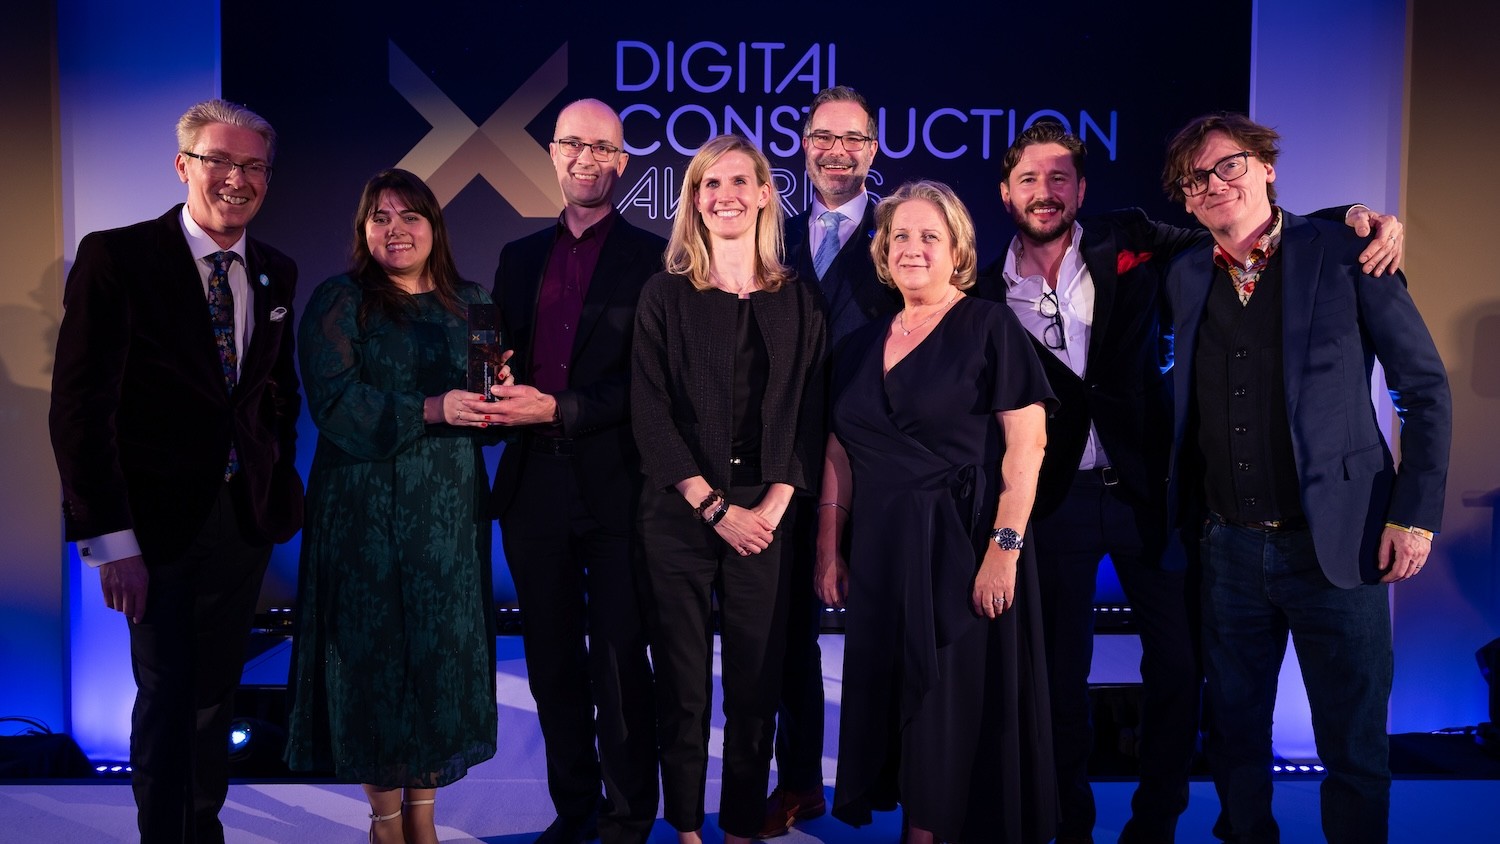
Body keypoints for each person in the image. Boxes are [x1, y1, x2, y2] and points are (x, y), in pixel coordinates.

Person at [983, 121, 1407, 844]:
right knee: (1056, 679)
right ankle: (1069, 821)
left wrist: (1351, 220)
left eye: (1060, 178)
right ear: (1005, 192)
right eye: (1029, 178)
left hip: (1152, 493)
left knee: (1179, 670)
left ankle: (1156, 822)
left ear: (1082, 189)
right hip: (1051, 502)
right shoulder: (982, 287)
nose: (1045, 192)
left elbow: (1252, 230)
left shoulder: (1134, 239)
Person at [1159, 112, 1451, 844]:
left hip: (1342, 545)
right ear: (1187, 202)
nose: (1215, 185)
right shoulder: (1188, 273)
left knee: (1354, 747)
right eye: (1196, 180)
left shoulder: (1351, 253)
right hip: (1227, 551)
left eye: (1228, 166)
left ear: (1265, 166)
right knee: (1233, 738)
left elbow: (1423, 389)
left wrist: (1412, 515)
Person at [49, 98, 303, 844]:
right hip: (151, 531)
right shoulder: (117, 257)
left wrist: (274, 479)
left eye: (253, 165)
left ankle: (204, 831)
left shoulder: (275, 270)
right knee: (165, 697)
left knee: (213, 699)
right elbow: (79, 410)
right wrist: (111, 542)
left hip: (241, 522)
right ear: (183, 165)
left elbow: (274, 395)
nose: (237, 178)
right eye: (220, 161)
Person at [816, 180, 1057, 844]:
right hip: (883, 561)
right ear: (881, 253)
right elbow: (839, 450)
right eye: (900, 236)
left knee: (948, 719)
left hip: (962, 551)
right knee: (899, 711)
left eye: (930, 237)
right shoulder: (859, 346)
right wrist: (828, 546)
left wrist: (1003, 551)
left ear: (957, 252)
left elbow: (1026, 446)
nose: (913, 248)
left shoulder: (989, 325)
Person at [284, 169, 502, 844]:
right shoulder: (339, 300)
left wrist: (499, 394)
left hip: (446, 513)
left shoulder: (474, 302)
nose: (395, 229)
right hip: (362, 511)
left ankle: (423, 819)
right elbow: (336, 406)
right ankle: (383, 820)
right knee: (372, 659)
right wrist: (432, 407)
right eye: (380, 217)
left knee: (439, 657)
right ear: (362, 230)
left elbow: (485, 403)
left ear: (434, 226)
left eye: (409, 216)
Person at [631, 134, 827, 844]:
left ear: (767, 194)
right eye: (709, 185)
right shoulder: (665, 293)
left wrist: (770, 508)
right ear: (693, 200)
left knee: (754, 691)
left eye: (740, 182)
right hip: (681, 514)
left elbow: (811, 413)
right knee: (684, 689)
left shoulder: (798, 299)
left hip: (768, 519)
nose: (726, 197)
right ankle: (685, 829)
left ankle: (743, 829)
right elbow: (648, 413)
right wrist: (713, 507)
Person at [487, 98, 662, 844]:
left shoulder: (657, 258)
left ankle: (628, 818)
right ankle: (575, 810)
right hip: (534, 490)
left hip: (621, 484)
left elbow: (654, 385)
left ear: (622, 162)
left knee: (622, 663)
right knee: (553, 664)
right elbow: (492, 355)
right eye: (571, 145)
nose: (585, 159)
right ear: (552, 155)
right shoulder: (518, 258)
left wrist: (556, 408)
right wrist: (492, 384)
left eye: (602, 148)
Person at [761, 84, 901, 839]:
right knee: (788, 638)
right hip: (784, 467)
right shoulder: (766, 236)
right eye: (824, 136)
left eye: (853, 139)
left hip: (881, 470)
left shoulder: (900, 235)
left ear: (872, 149)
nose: (837, 150)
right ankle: (801, 783)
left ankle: (888, 778)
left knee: (888, 629)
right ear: (804, 145)